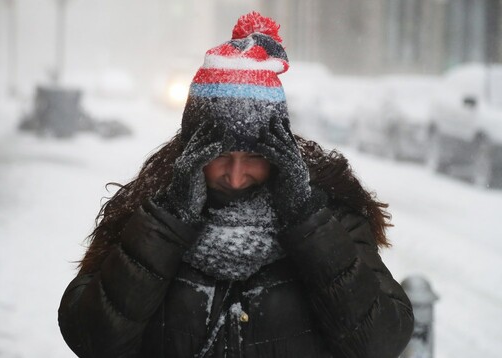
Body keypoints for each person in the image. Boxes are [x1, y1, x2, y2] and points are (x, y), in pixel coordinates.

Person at [58, 11, 414, 358]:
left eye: (254, 157)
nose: (236, 175)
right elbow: (94, 339)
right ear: (193, 148)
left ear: (279, 151)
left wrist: (306, 221)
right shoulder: (147, 212)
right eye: (220, 156)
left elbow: (379, 343)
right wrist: (170, 221)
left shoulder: (331, 217)